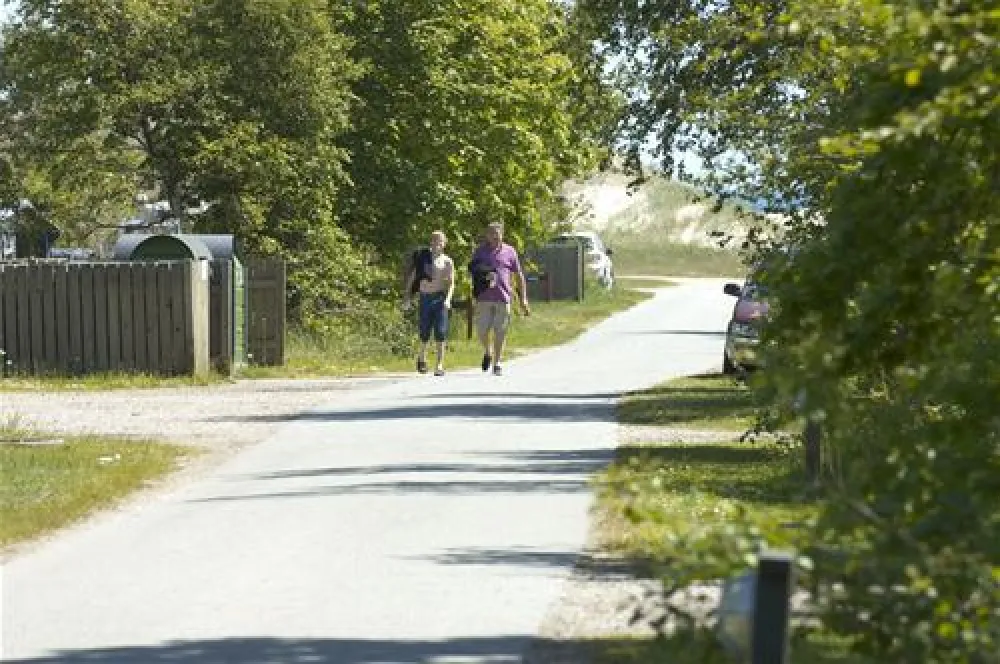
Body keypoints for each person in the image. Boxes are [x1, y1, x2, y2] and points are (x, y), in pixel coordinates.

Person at [468, 222, 530, 375]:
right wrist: (483, 274)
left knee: (500, 331)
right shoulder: (480, 252)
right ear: (487, 236)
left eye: (498, 233)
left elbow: (519, 276)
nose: (495, 237)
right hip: (484, 297)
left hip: (503, 296)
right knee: (482, 330)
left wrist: (523, 299)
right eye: (492, 234)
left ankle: (497, 363)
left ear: (502, 234)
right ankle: (487, 352)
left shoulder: (510, 251)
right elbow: (472, 270)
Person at [404, 231, 454, 376]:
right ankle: (422, 357)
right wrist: (407, 296)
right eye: (434, 240)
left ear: (444, 243)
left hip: (439, 298)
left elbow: (451, 284)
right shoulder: (423, 258)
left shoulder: (447, 261)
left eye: (440, 241)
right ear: (430, 242)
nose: (437, 243)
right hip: (425, 297)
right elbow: (413, 278)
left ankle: (439, 365)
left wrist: (448, 299)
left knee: (440, 331)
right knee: (424, 330)